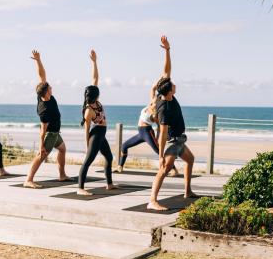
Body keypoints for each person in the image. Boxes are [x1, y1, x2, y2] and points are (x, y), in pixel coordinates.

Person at [117, 37, 179, 176]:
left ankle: (172, 168)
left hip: (147, 131)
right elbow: (164, 74)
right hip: (141, 131)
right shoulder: (154, 98)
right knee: (124, 146)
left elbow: (167, 71)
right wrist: (167, 50)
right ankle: (120, 166)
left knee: (158, 150)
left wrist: (168, 51)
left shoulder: (160, 105)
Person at [148, 36, 197, 210]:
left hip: (179, 140)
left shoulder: (164, 91)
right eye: (173, 86)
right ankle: (152, 201)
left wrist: (168, 50)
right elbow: (161, 134)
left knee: (190, 160)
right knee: (164, 168)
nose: (175, 85)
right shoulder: (164, 109)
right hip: (171, 142)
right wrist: (161, 155)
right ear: (169, 93)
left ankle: (187, 191)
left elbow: (166, 69)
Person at [23, 50, 69, 188]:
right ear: (46, 92)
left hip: (56, 134)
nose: (51, 88)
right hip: (50, 135)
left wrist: (38, 60)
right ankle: (28, 180)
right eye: (50, 88)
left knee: (62, 149)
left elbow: (42, 75)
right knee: (41, 156)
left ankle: (62, 175)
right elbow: (42, 130)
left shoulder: (42, 94)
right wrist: (41, 145)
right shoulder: (44, 109)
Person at [77, 50, 118, 196]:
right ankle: (80, 188)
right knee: (88, 161)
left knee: (109, 157)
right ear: (95, 95)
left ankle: (109, 184)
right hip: (96, 134)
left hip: (102, 134)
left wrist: (94, 62)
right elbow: (87, 129)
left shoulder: (95, 101)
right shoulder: (89, 110)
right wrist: (87, 144)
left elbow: (95, 78)